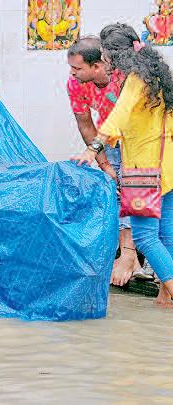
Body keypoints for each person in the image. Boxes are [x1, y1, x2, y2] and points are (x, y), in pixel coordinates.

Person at [72, 23, 173, 307]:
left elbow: (118, 117)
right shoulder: (158, 78)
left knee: (144, 236)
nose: (105, 60)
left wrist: (93, 150)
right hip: (168, 168)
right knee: (167, 235)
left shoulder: (135, 80)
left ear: (115, 55)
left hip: (144, 168)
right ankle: (165, 297)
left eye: (106, 55)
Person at [66, 36, 142, 286]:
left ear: (97, 65)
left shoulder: (125, 76)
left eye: (77, 68)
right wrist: (105, 165)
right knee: (118, 190)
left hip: (141, 138)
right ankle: (128, 256)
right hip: (108, 140)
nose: (72, 73)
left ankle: (130, 257)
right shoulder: (75, 84)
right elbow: (85, 124)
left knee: (134, 190)